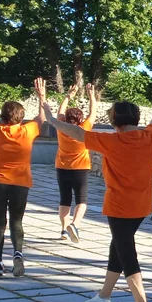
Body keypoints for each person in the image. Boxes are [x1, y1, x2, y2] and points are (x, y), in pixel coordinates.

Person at [38, 78, 152, 302]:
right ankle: (104, 296)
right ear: (134, 118)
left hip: (120, 206)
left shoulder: (112, 141)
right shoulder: (148, 136)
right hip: (142, 206)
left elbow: (78, 133)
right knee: (118, 247)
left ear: (114, 121)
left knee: (126, 253)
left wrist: (52, 119)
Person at [0, 79, 44, 278]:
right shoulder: (28, 131)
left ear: (3, 117)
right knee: (16, 221)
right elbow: (42, 117)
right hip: (20, 183)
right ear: (21, 117)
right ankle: (17, 253)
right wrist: (41, 96)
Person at [55, 82, 97, 243]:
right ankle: (75, 224)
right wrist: (91, 95)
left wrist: (68, 96)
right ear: (80, 119)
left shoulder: (61, 127)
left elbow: (59, 112)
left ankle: (64, 231)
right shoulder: (84, 128)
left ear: (66, 118)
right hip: (80, 168)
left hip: (62, 167)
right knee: (82, 199)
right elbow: (93, 113)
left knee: (64, 199)